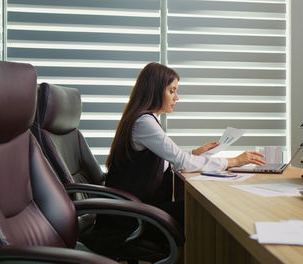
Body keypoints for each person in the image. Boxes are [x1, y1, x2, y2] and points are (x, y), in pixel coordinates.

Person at [101, 62, 264, 228]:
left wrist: (193, 152)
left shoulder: (146, 119)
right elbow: (181, 161)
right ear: (155, 90)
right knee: (206, 209)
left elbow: (162, 157)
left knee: (203, 208)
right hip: (134, 216)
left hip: (139, 209)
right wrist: (234, 162)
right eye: (172, 91)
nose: (176, 97)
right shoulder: (144, 122)